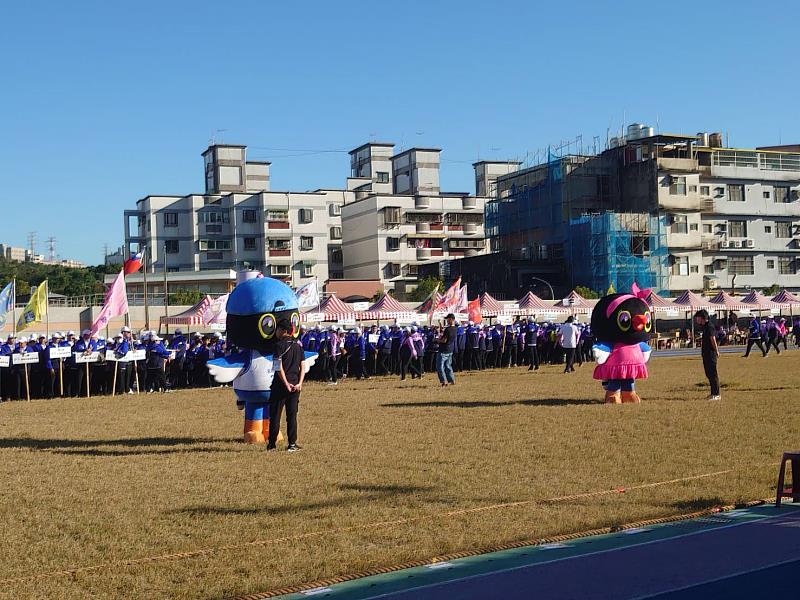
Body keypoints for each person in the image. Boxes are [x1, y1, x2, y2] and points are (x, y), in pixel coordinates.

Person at [268, 319, 307, 452]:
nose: (276, 332)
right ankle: (292, 444)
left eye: (278, 329)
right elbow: (303, 366)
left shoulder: (278, 346)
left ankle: (272, 445)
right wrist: (300, 383)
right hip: (295, 385)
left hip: (280, 386)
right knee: (292, 416)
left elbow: (278, 367)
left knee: (275, 415)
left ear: (283, 331)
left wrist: (285, 384)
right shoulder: (298, 346)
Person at [695, 310, 721, 401]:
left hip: (711, 353)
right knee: (708, 374)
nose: (696, 320)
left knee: (713, 374)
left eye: (697, 318)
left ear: (702, 318)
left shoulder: (710, 326)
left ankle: (717, 394)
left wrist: (717, 351)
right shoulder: (704, 327)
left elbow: (713, 339)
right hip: (705, 353)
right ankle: (712, 393)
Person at [435, 314, 457, 387]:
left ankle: (443, 381)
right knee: (448, 366)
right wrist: (440, 323)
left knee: (440, 366)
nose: (447, 320)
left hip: (443, 350)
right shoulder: (455, 329)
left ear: (451, 319)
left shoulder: (448, 329)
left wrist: (436, 340)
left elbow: (444, 340)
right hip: (450, 349)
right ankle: (452, 380)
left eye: (448, 319)